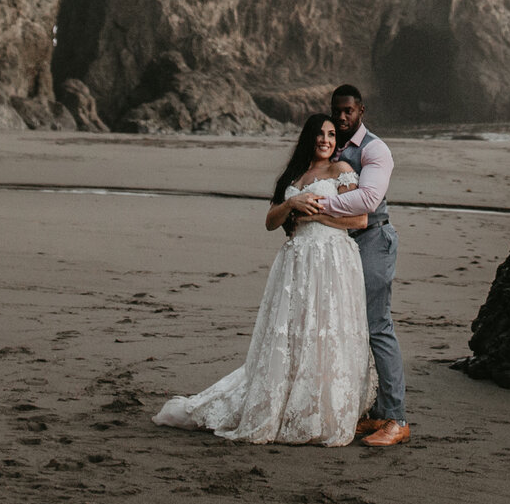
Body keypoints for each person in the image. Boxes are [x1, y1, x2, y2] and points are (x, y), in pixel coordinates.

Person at [152, 114, 378, 444]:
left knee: (324, 330)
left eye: (331, 134)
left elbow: (359, 219)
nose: (326, 140)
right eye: (319, 134)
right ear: (309, 138)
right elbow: (271, 221)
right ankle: (279, 398)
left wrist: (312, 215)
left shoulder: (341, 171)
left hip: (332, 260)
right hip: (296, 260)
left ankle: (318, 407)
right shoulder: (294, 175)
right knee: (291, 333)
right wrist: (292, 203)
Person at [287, 84, 408, 447]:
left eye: (348, 111)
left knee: (377, 326)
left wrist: (316, 206)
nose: (341, 117)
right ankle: (375, 413)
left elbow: (369, 199)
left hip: (373, 240)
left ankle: (397, 419)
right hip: (340, 244)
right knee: (350, 328)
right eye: (336, 111)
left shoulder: (375, 149)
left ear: (361, 111)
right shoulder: (333, 147)